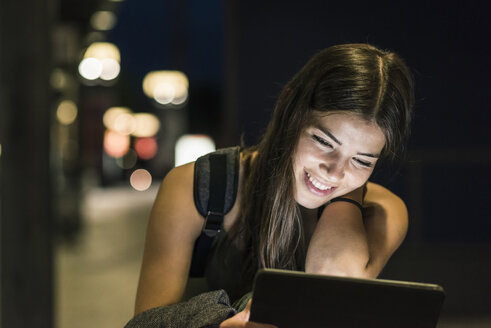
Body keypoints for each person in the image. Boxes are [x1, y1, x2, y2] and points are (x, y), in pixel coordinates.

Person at [133, 43, 414, 327]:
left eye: (363, 160)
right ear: (288, 108)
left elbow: (334, 275)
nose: (334, 171)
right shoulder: (198, 187)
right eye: (324, 141)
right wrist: (221, 321)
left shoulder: (383, 210)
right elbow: (144, 324)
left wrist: (350, 189)